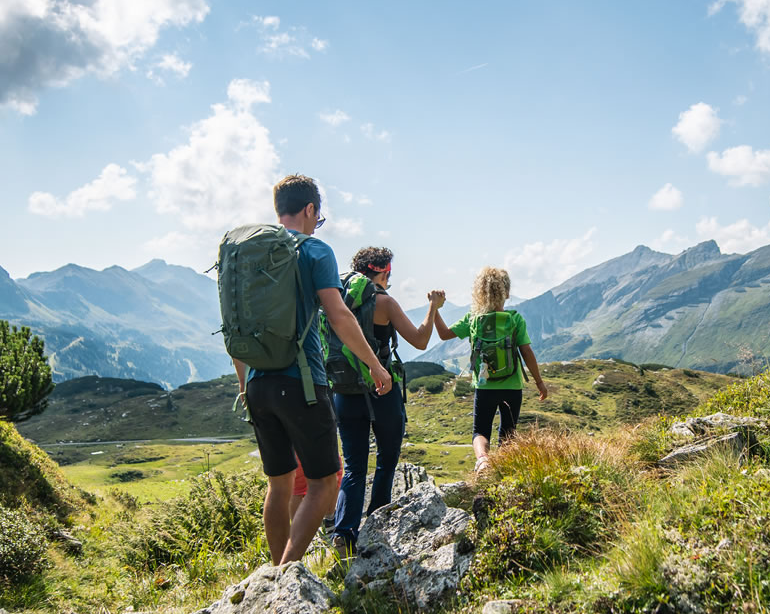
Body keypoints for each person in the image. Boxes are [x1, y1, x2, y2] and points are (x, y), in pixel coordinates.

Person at [231, 175, 391, 565]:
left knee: (279, 484)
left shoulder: (247, 256)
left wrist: (244, 386)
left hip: (256, 384)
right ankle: (286, 574)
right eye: (317, 218)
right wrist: (374, 365)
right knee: (325, 483)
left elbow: (235, 329)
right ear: (309, 210)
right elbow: (337, 315)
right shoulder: (315, 250)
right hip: (302, 383)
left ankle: (274, 574)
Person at [329, 247, 444, 553]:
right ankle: (377, 523)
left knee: (354, 466)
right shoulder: (385, 302)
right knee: (387, 456)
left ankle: (344, 533)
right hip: (382, 389)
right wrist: (433, 307)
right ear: (382, 272)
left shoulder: (335, 300)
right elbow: (420, 341)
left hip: (343, 390)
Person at [435, 266, 549, 472]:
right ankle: (504, 472)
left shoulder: (472, 319)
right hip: (512, 386)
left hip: (484, 386)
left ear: (480, 292)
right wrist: (539, 382)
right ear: (506, 292)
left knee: (480, 430)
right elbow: (527, 353)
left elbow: (443, 334)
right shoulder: (515, 319)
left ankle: (483, 461)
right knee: (508, 431)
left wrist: (434, 309)